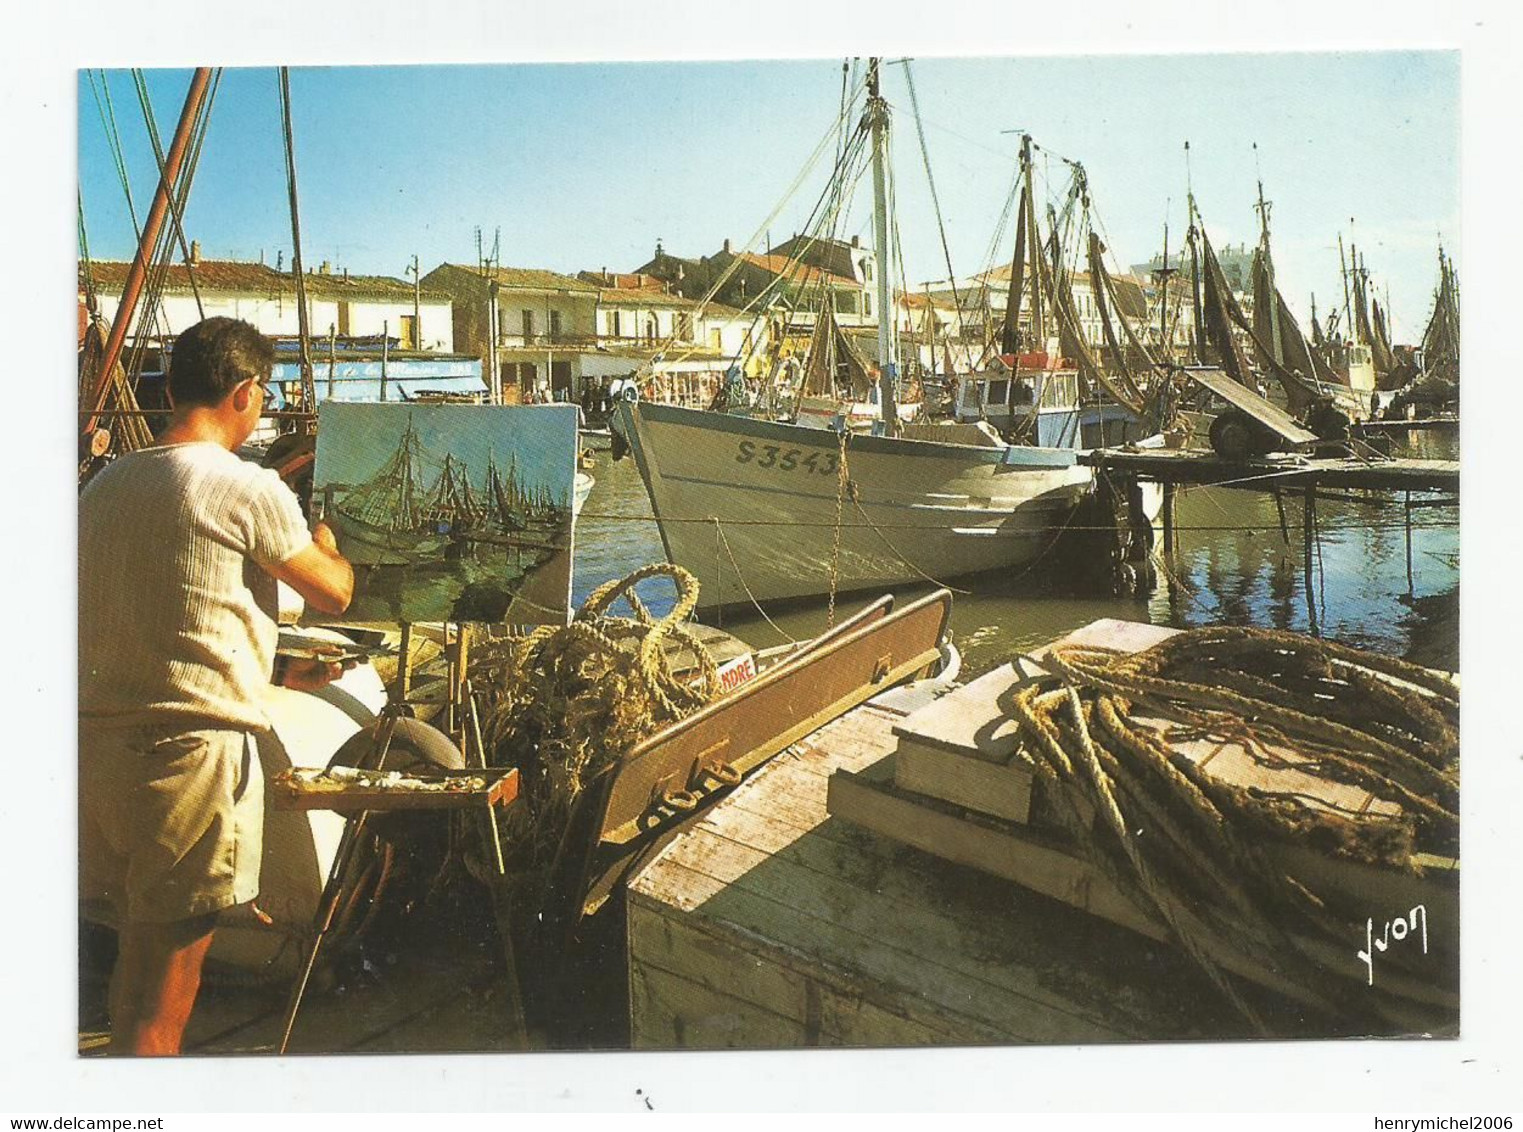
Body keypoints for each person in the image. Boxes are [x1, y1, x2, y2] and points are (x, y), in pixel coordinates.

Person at [79, 317, 355, 1055]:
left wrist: (271, 665)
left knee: (132, 975)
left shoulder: (107, 485)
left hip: (95, 757)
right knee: (159, 1009)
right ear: (245, 392)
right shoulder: (246, 484)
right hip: (185, 765)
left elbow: (153, 612)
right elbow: (333, 594)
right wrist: (329, 545)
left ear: (170, 389)